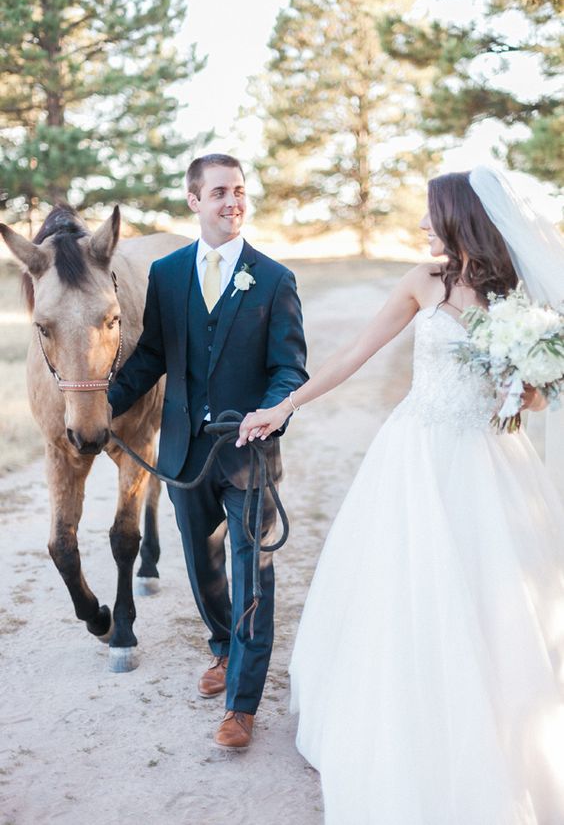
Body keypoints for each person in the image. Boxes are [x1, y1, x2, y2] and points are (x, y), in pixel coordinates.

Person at [237, 167, 564, 822]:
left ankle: (494, 733)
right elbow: (354, 354)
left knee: (490, 591)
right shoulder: (423, 282)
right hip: (416, 455)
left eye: (429, 212)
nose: (419, 223)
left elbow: (536, 395)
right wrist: (282, 407)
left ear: (458, 218)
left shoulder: (516, 297)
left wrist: (521, 387)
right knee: (408, 585)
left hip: (488, 459)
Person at [108, 153, 307, 749]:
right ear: (194, 201)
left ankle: (241, 704)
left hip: (250, 456)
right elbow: (151, 356)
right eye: (219, 192)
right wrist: (103, 405)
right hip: (185, 455)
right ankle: (223, 646)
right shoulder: (168, 275)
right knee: (203, 565)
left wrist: (267, 415)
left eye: (239, 191)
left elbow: (289, 370)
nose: (233, 202)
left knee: (253, 574)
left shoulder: (275, 279)